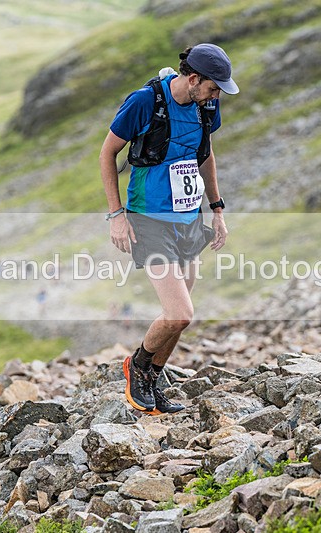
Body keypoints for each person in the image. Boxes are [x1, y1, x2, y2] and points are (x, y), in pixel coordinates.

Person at [100, 43, 237, 415]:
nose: (216, 96)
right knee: (179, 313)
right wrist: (116, 214)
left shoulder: (206, 105)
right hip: (150, 220)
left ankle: (152, 381)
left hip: (189, 220)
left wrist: (217, 209)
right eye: (212, 88)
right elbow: (106, 152)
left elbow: (204, 154)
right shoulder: (145, 102)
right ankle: (137, 366)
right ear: (193, 78)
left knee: (179, 319)